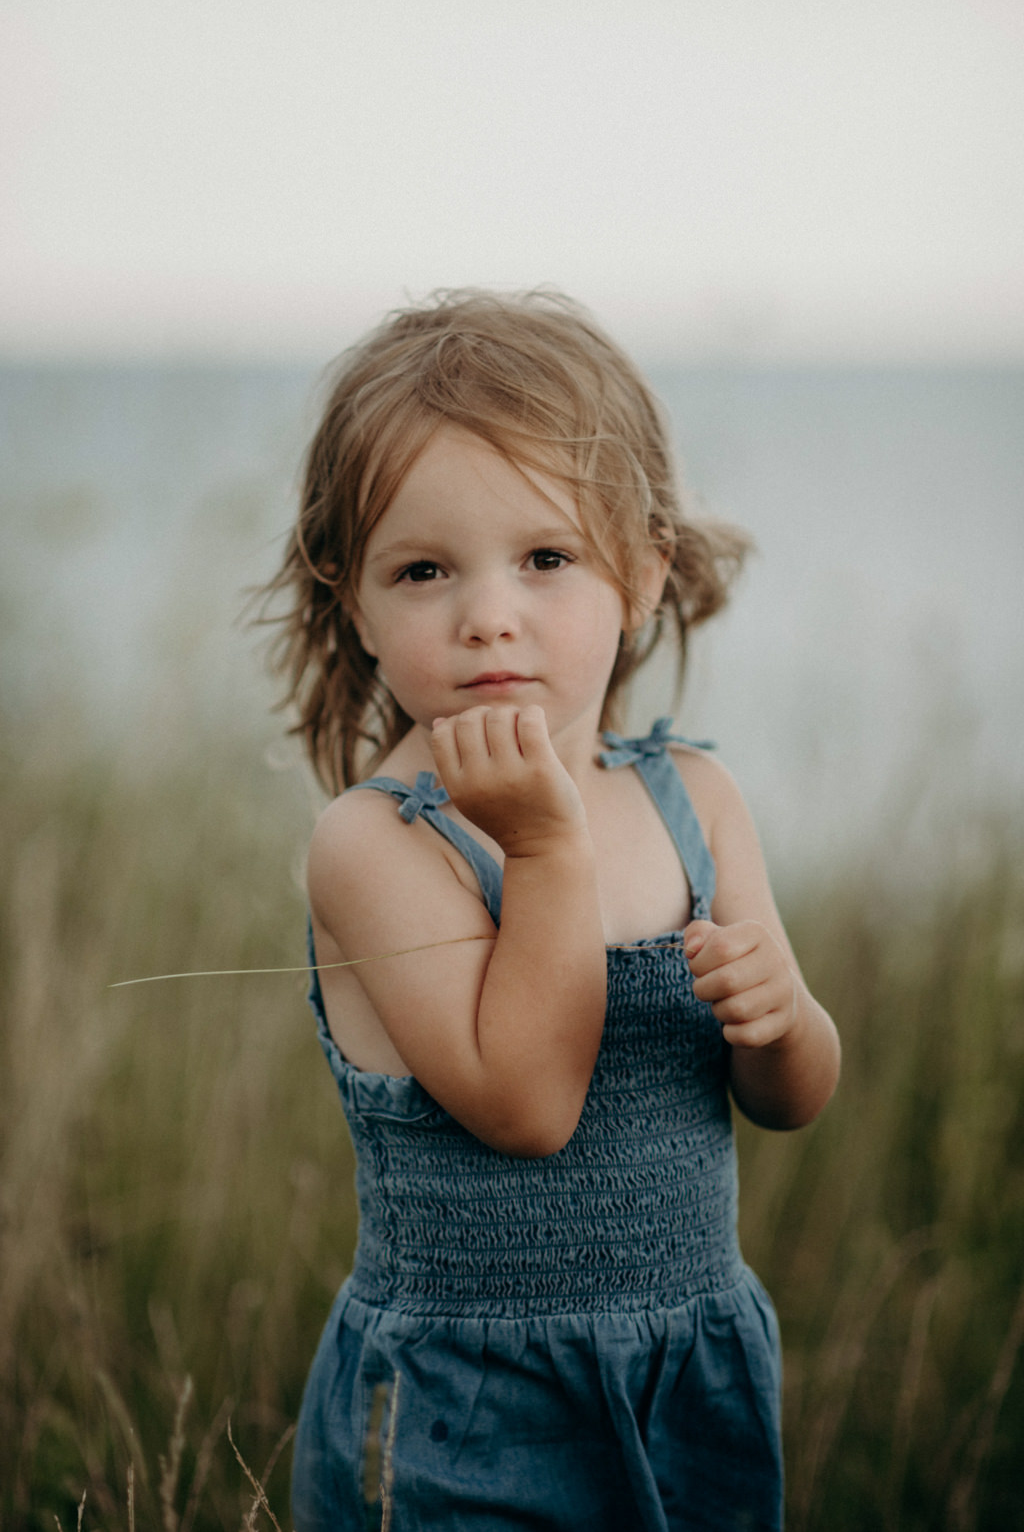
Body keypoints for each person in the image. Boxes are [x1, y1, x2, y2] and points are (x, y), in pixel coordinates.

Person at [263, 289, 840, 1531]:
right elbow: (527, 1105)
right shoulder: (374, 841)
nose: (488, 613)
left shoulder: (693, 796)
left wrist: (783, 1018)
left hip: (685, 1370)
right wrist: (543, 843)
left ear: (639, 570)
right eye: (423, 569)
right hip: (463, 1414)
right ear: (352, 597)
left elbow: (787, 1100)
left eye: (545, 557)